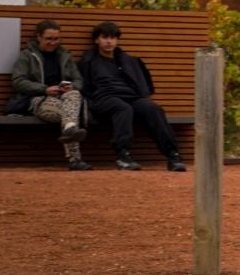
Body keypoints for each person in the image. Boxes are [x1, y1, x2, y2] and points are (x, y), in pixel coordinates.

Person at [78, 20, 187, 172]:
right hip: (103, 98)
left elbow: (142, 84)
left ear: (117, 40)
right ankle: (124, 155)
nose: (109, 41)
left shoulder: (127, 60)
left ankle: (172, 156)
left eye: (113, 37)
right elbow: (84, 87)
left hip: (130, 97)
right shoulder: (88, 62)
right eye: (105, 37)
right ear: (97, 40)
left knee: (152, 108)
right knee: (123, 109)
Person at [9, 18, 91, 171]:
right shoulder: (27, 55)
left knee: (73, 96)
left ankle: (69, 128)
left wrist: (71, 86)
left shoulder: (65, 55)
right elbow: (18, 81)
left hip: (65, 98)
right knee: (70, 114)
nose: (53, 43)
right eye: (49, 39)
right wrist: (44, 89)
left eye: (56, 39)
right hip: (39, 100)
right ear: (38, 37)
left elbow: (79, 80)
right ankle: (74, 158)